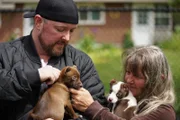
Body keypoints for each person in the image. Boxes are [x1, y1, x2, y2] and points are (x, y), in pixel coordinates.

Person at [0, 0, 106, 120]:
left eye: (71, 31)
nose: (67, 37)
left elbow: (97, 109)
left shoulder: (80, 62)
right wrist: (35, 76)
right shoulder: (4, 54)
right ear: (38, 22)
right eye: (61, 29)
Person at [70, 45, 176, 120]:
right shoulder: (123, 100)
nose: (129, 80)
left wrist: (93, 108)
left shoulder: (164, 112)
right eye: (128, 72)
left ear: (159, 79)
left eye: (137, 76)